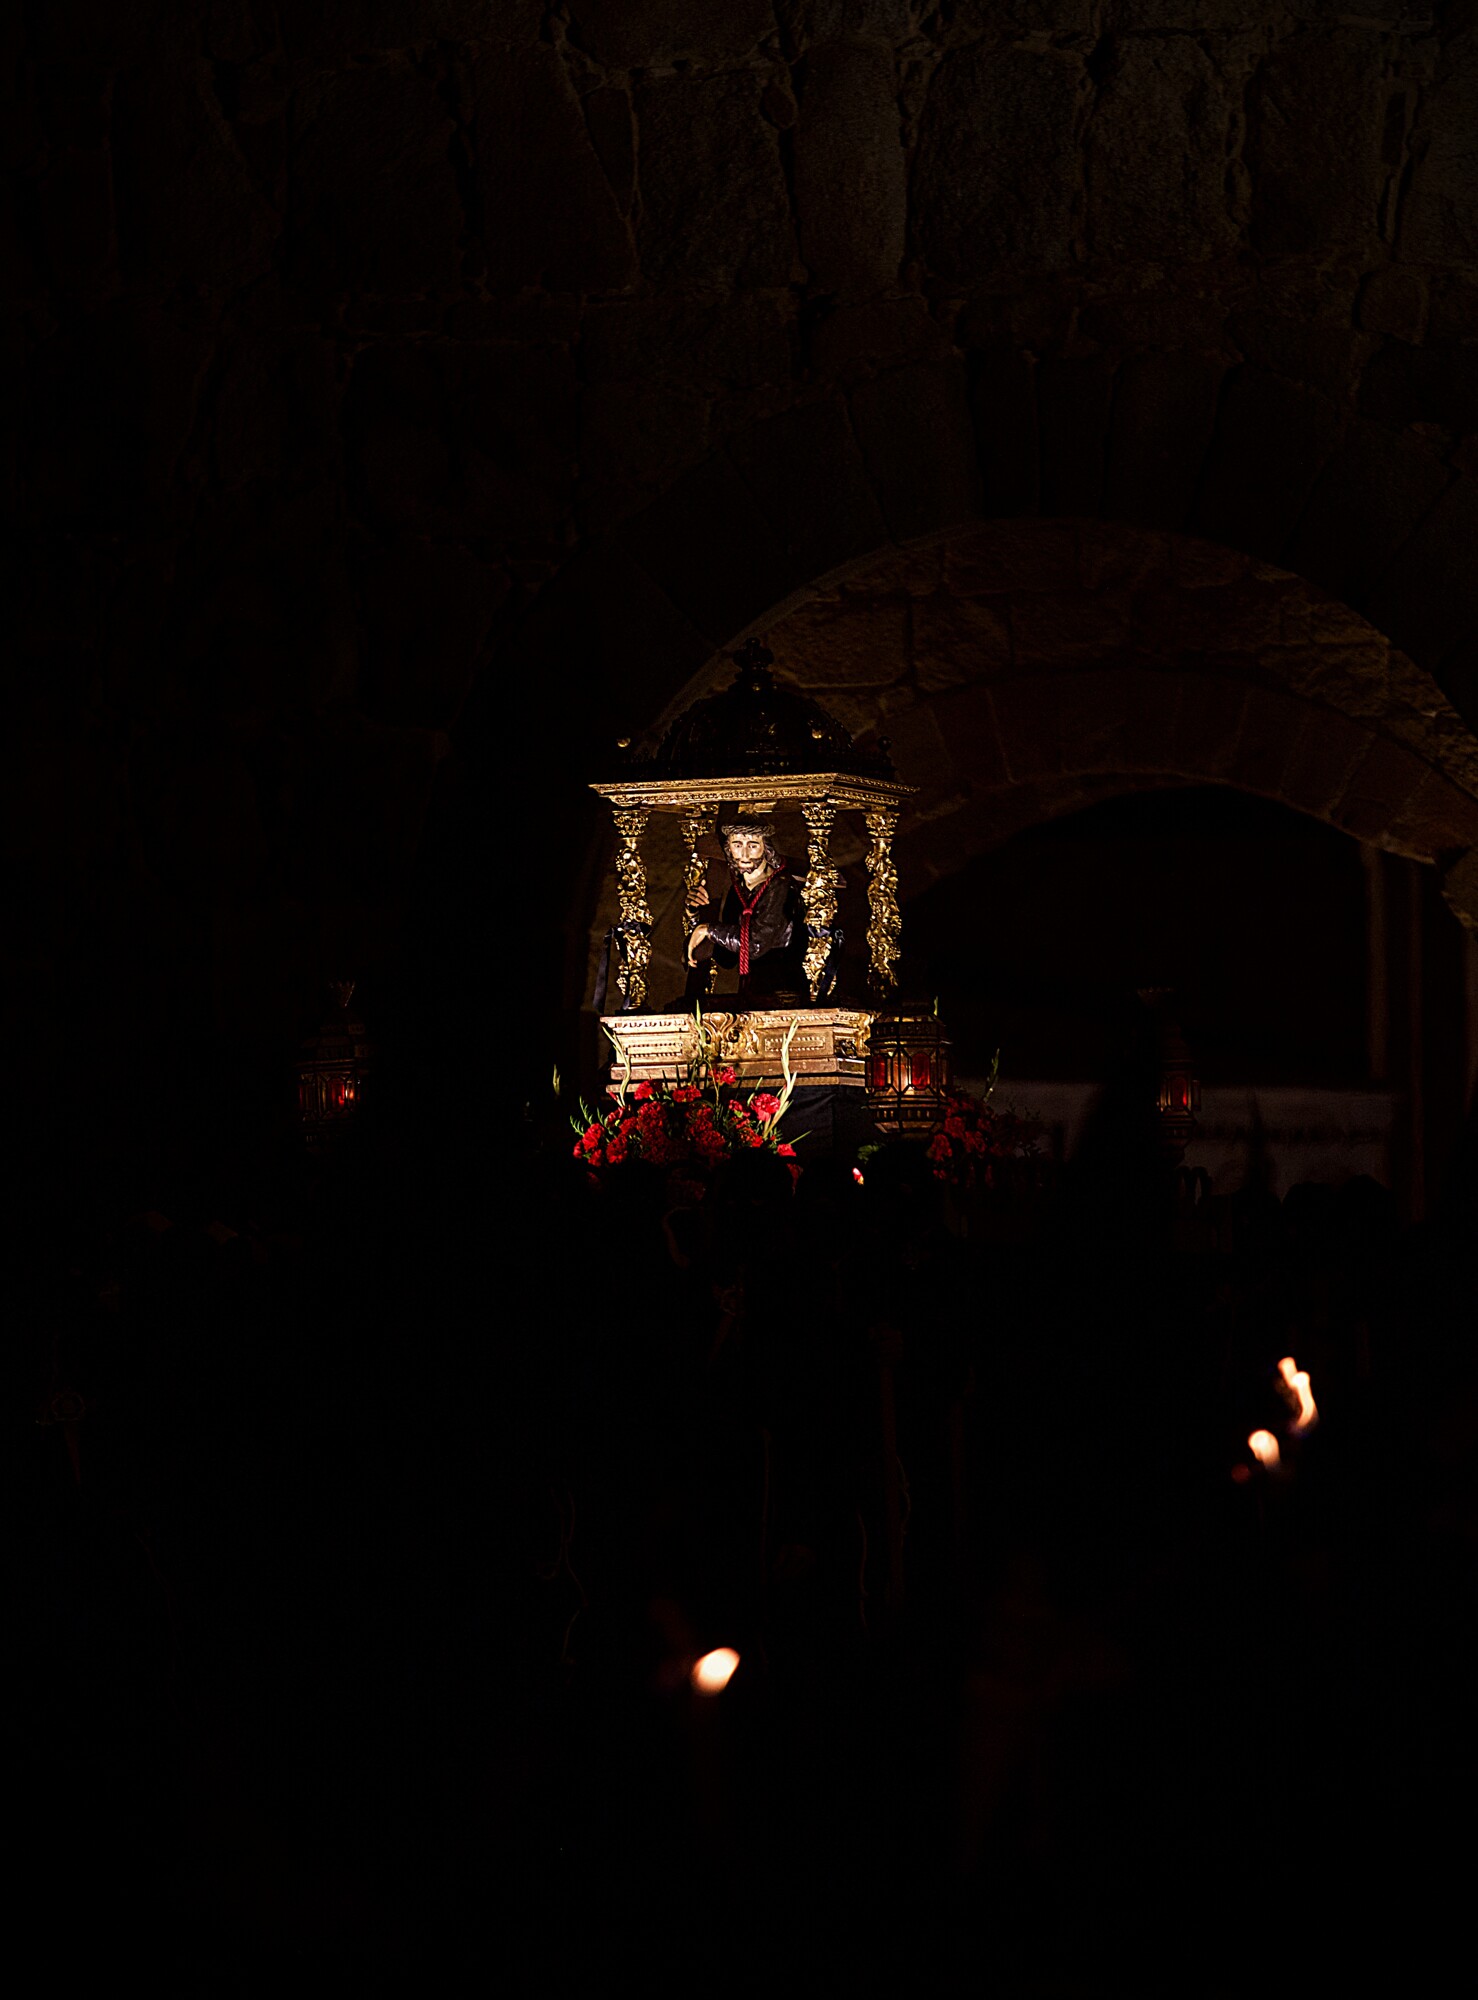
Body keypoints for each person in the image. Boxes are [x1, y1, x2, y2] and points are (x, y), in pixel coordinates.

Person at [686, 809, 811, 1004]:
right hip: (751, 992)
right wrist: (695, 912)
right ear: (729, 848)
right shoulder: (738, 891)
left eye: (752, 845)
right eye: (737, 845)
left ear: (765, 847)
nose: (744, 854)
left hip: (786, 993)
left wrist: (708, 929)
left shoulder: (781, 887)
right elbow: (726, 957)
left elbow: (755, 944)